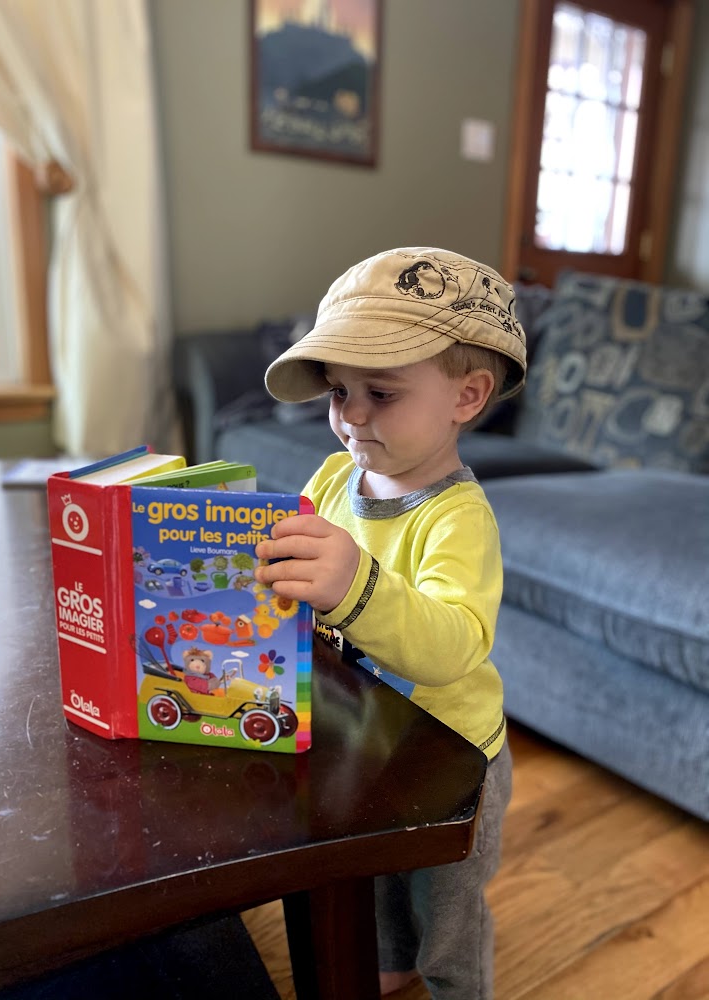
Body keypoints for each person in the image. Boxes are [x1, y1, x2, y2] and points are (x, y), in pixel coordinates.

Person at [254, 246, 527, 1000]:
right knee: (373, 873)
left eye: (380, 391)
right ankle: (393, 956)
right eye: (339, 391)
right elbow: (299, 573)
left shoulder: (457, 518)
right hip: (368, 735)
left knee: (446, 909)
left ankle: (455, 986)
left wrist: (354, 584)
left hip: (452, 757)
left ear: (467, 396)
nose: (351, 415)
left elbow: (453, 645)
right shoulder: (333, 476)